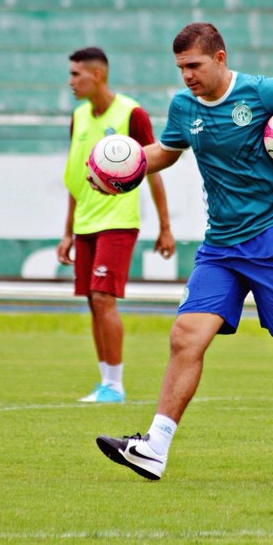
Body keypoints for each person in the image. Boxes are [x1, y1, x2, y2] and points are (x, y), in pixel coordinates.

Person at [94, 22, 273, 482]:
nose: (187, 76)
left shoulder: (259, 92)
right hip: (220, 246)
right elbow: (167, 152)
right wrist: (123, 167)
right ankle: (155, 447)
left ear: (219, 58)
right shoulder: (183, 105)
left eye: (193, 65)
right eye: (180, 68)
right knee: (185, 336)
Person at [58, 46, 176, 404]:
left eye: (76, 74)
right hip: (85, 223)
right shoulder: (78, 117)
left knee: (102, 296)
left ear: (97, 75)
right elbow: (76, 178)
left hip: (118, 221)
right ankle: (105, 382)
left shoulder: (131, 113)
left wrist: (165, 226)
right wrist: (67, 232)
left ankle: (116, 386)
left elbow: (152, 168)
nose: (71, 82)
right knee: (94, 303)